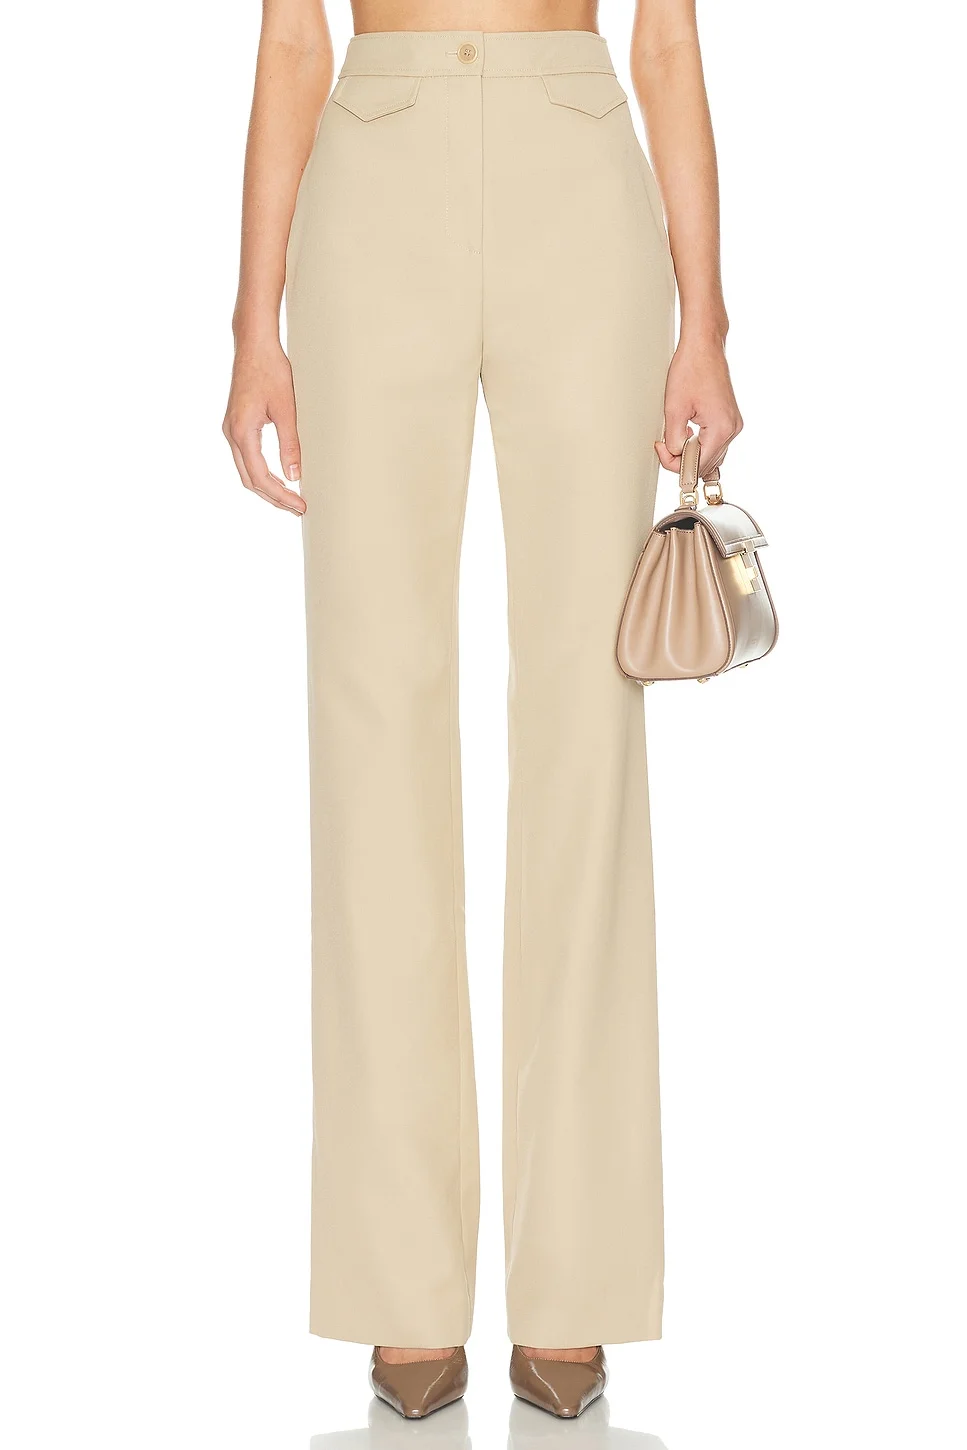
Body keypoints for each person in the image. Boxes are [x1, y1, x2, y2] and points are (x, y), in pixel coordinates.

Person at [224, 0, 741, 1421]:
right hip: (372, 170)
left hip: (578, 169)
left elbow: (666, 42)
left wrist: (705, 319)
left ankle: (578, 1277)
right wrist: (253, 324)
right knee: (371, 721)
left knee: (590, 724)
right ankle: (399, 1279)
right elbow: (291, 41)